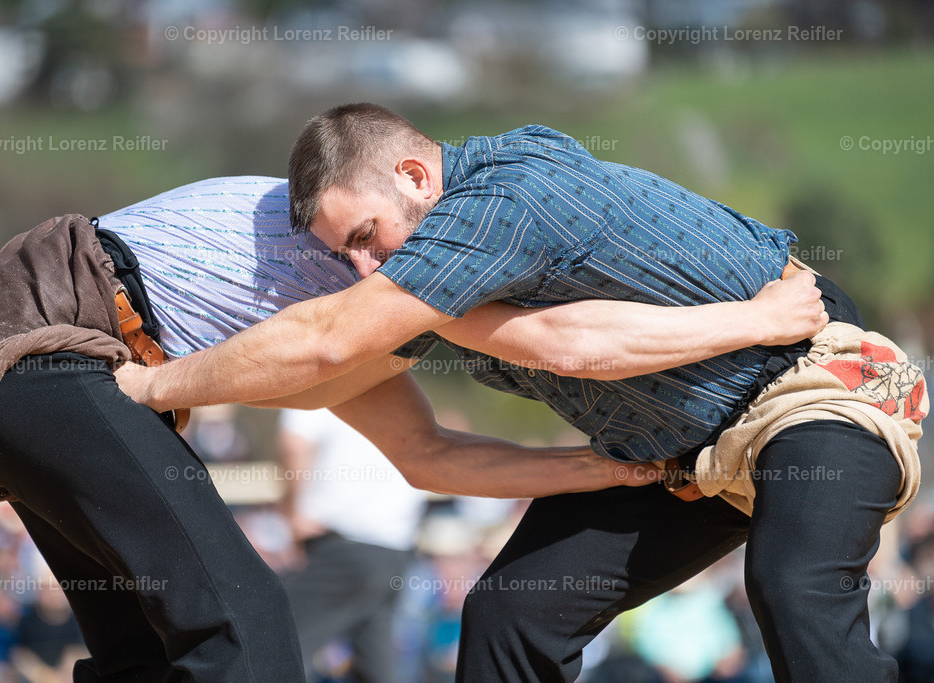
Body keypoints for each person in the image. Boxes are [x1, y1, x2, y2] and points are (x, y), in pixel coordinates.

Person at [115, 103, 926, 682]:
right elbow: (404, 438)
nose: (366, 269)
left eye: (366, 236)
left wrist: (154, 383)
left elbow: (567, 346)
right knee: (509, 612)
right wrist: (597, 470)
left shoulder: (497, 203)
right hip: (684, 451)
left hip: (809, 379)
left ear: (414, 173)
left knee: (793, 586)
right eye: (345, 254)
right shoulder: (436, 280)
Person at [0, 176, 819, 681]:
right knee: (245, 620)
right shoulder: (380, 286)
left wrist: (607, 468)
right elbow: (564, 342)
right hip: (41, 343)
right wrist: (761, 321)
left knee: (150, 651)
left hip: (21, 382)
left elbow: (429, 456)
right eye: (355, 242)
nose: (360, 260)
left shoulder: (346, 330)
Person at [276, 407, 427, 682]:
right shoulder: (397, 384)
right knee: (377, 668)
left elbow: (294, 442)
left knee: (277, 649)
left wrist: (292, 511)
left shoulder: (312, 379)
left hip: (344, 546)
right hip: (394, 550)